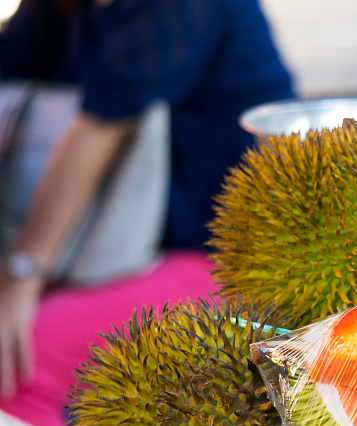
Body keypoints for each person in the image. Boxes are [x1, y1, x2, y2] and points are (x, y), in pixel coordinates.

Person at [0, 0, 295, 399]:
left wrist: (21, 276)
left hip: (225, 256)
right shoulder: (61, 9)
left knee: (30, 351)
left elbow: (101, 124)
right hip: (112, 241)